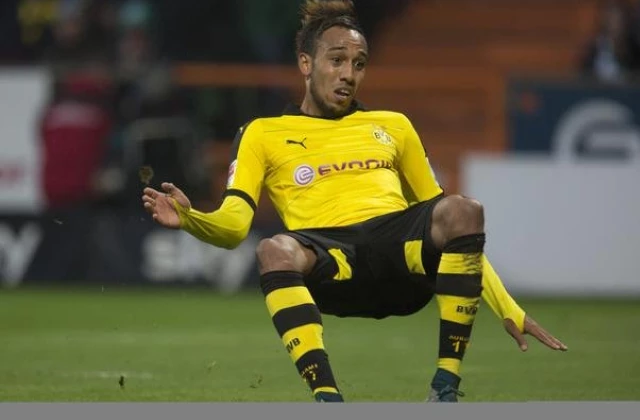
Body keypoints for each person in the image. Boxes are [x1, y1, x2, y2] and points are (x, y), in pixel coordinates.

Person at [142, 0, 567, 403]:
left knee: (464, 208)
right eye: (337, 60)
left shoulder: (393, 126)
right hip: (331, 261)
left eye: (359, 64)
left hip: (399, 258)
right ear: (306, 64)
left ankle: (445, 387)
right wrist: (192, 218)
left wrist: (507, 307)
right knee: (273, 249)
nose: (348, 74)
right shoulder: (263, 132)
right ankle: (329, 398)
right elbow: (235, 226)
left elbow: (457, 229)